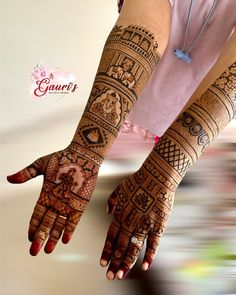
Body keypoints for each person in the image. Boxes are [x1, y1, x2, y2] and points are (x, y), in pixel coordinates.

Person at [7, 0, 236, 281]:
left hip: (204, 129)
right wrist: (85, 150)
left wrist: (164, 171)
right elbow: (145, 21)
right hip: (131, 108)